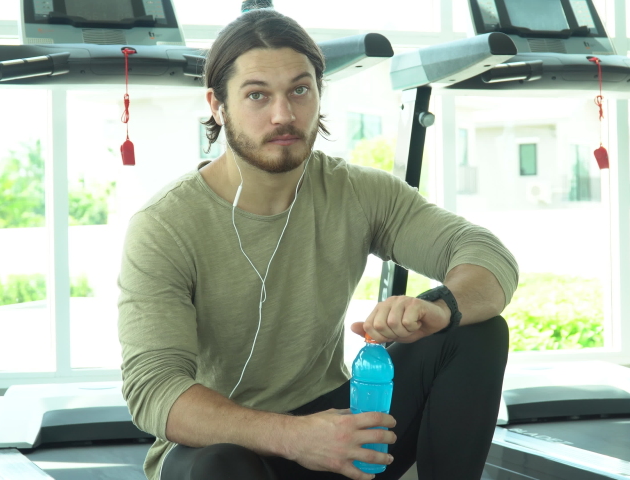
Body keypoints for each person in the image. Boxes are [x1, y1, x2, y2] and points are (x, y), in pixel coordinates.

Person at [118, 8, 519, 480]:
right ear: (217, 104)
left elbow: (487, 255)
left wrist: (441, 306)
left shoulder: (358, 191)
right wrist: (295, 437)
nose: (284, 114)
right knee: (221, 467)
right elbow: (153, 390)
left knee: (476, 331)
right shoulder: (165, 224)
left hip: (331, 424)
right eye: (257, 96)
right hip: (226, 444)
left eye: (299, 90)